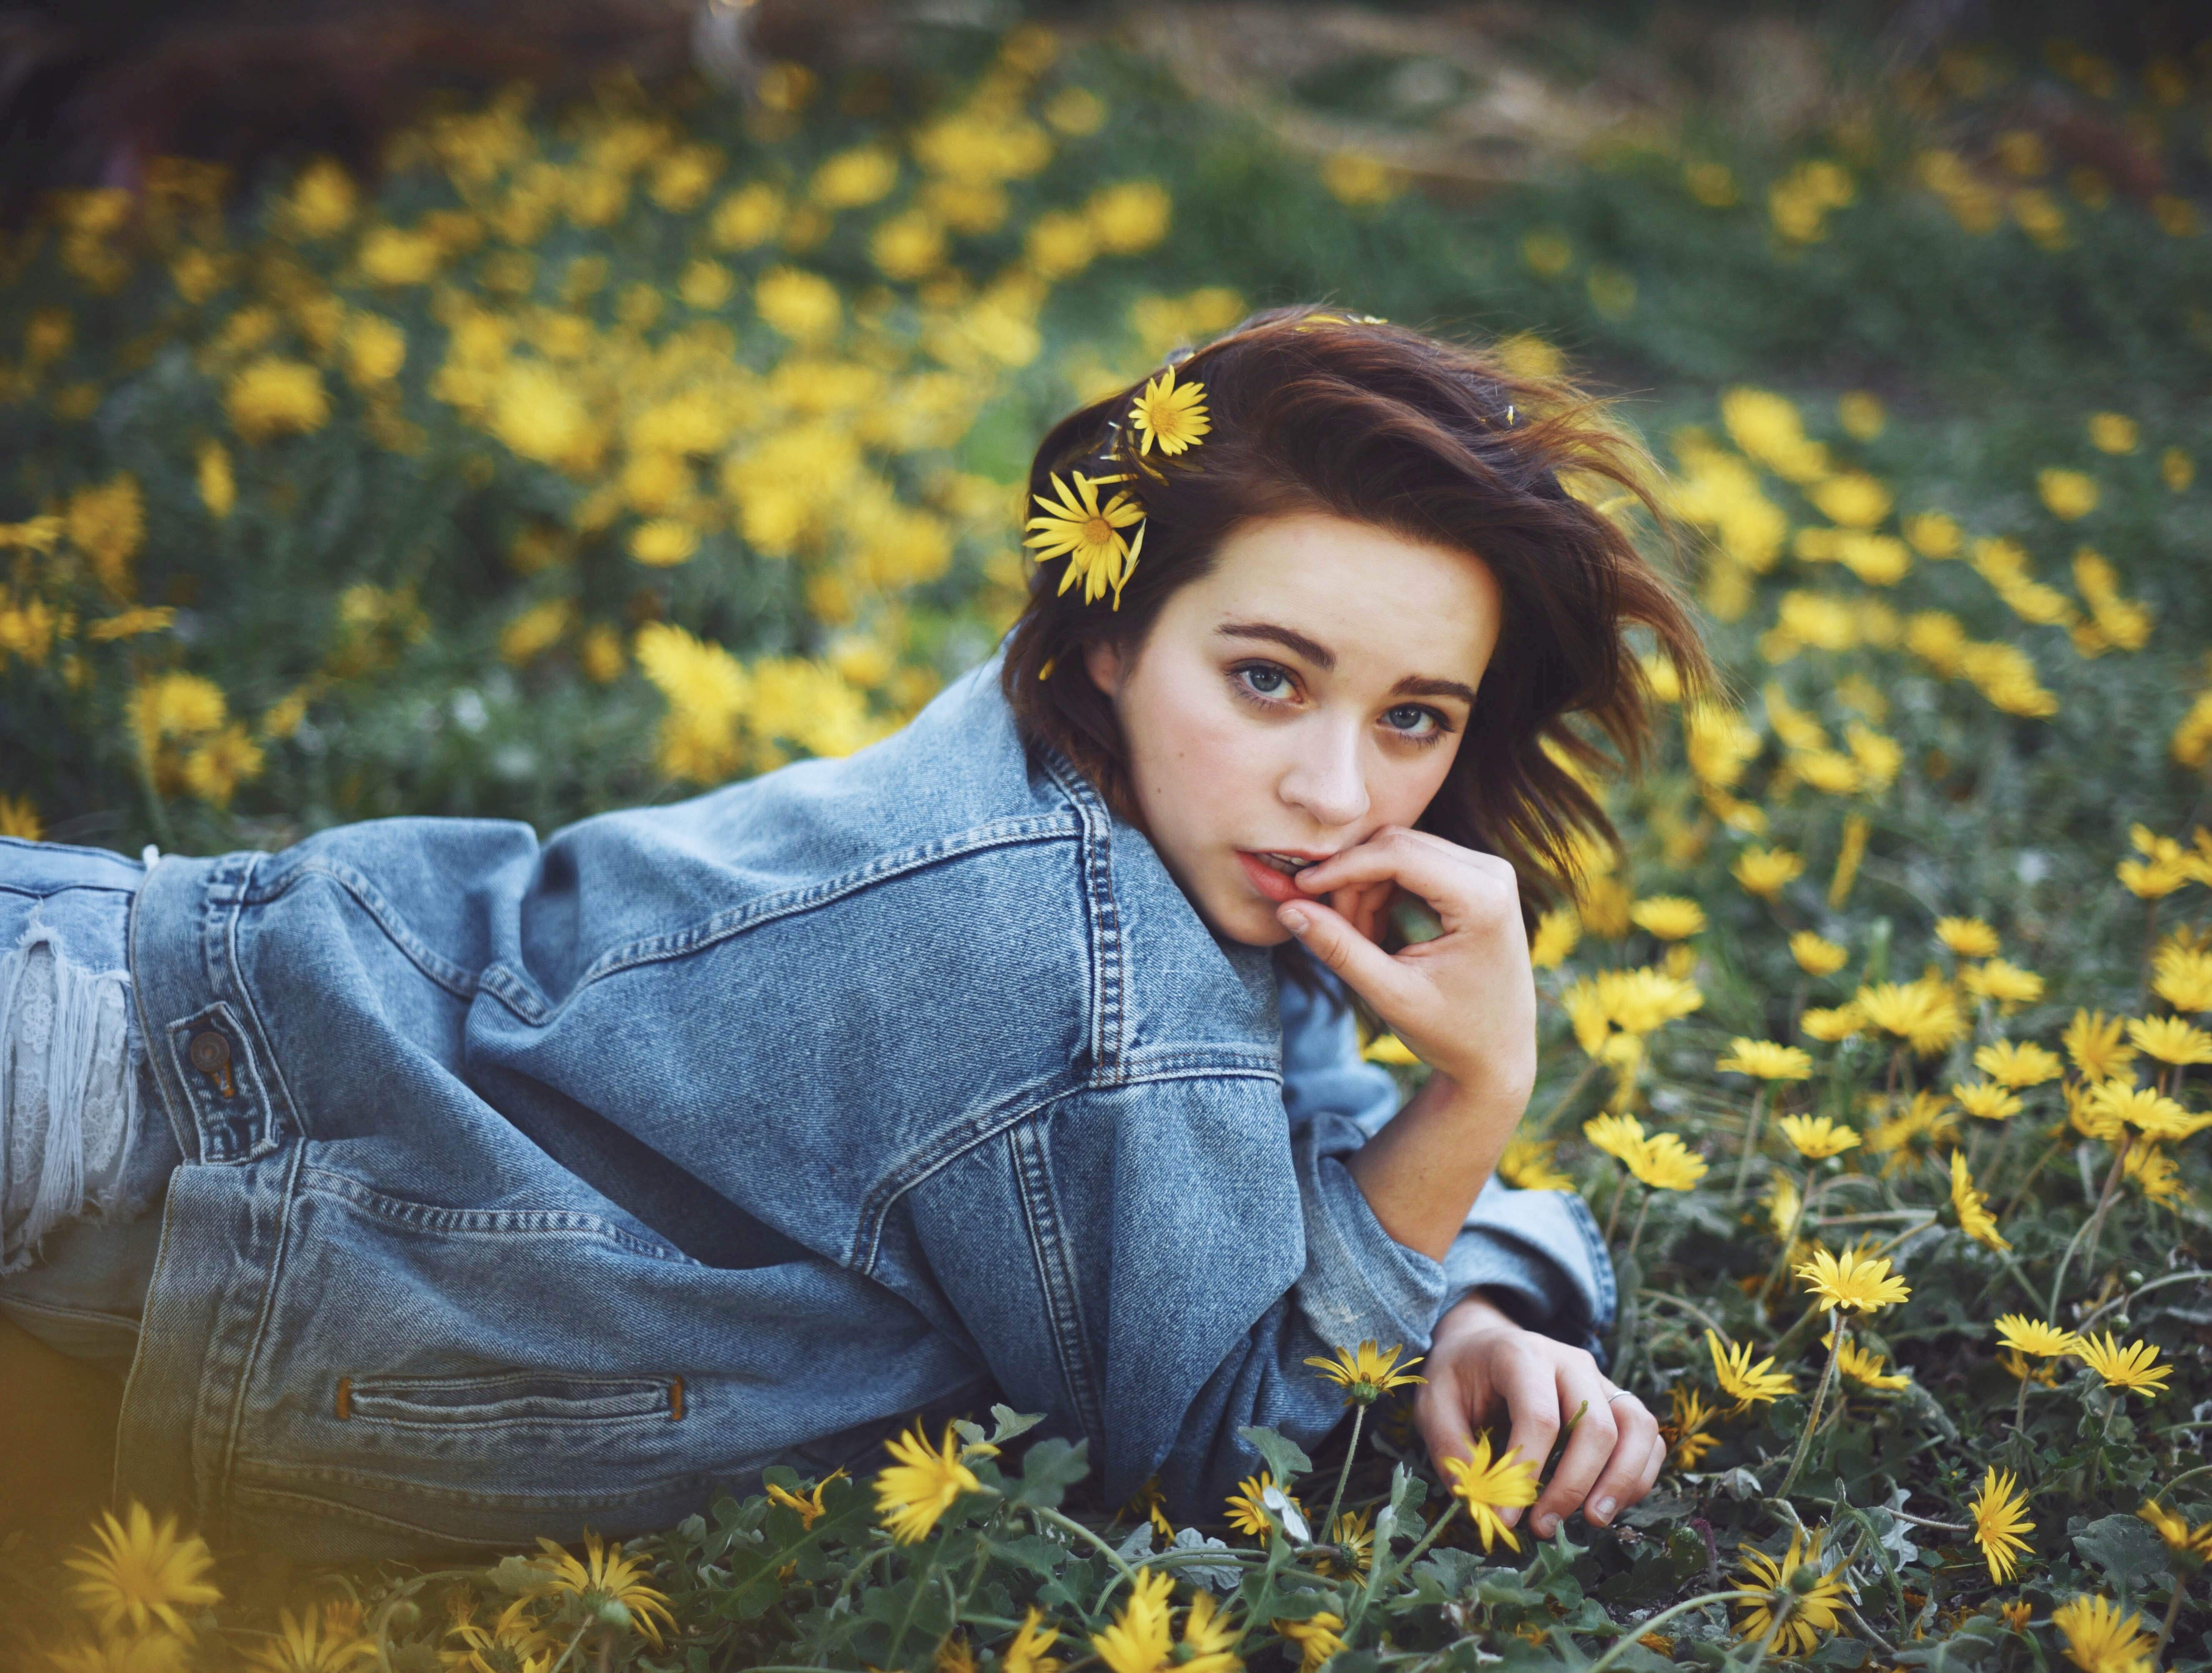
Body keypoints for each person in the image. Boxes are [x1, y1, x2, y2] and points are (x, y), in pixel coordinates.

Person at [0, 303, 1710, 1562]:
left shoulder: (1140, 804)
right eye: (1268, 676)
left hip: (130, 1010)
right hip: (106, 1124)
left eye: (1414, 715)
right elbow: (1234, 1459)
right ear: (1111, 633)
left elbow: (1295, 1132)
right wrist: (1474, 1091)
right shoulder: (1074, 952)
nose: (1338, 785)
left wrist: (1473, 1301)